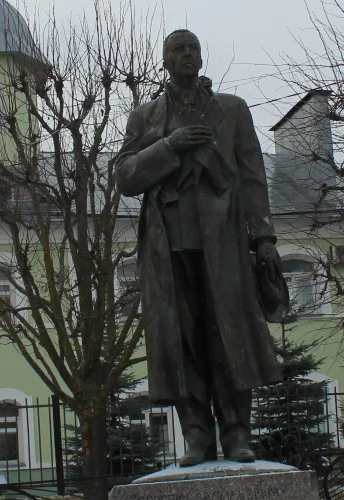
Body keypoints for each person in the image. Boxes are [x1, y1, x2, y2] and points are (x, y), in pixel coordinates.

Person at [114, 29, 284, 466]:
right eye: (178, 49)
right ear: (165, 61)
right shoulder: (146, 117)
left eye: (193, 48)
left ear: (202, 58)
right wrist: (169, 145)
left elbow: (253, 176)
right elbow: (126, 177)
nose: (187, 54)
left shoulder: (232, 110)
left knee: (230, 336)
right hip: (168, 245)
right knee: (181, 341)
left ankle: (237, 434)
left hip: (223, 242)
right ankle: (196, 437)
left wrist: (264, 237)